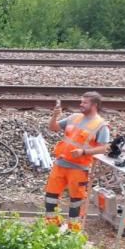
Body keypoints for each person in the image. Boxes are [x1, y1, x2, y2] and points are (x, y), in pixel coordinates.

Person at [45, 92, 110, 232]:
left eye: (85, 102)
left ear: (95, 105)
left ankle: (73, 231)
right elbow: (53, 127)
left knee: (76, 201)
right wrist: (55, 115)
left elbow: (104, 148)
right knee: (51, 196)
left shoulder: (101, 125)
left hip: (79, 168)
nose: (81, 104)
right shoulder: (74, 117)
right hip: (60, 164)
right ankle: (52, 226)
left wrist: (84, 152)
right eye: (81, 101)